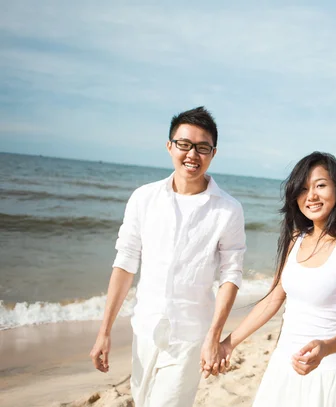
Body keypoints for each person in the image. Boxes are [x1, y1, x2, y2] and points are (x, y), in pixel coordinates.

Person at [90, 106, 245, 407]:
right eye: (184, 145)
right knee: (143, 400)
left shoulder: (228, 209)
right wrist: (104, 332)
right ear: (170, 146)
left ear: (213, 153)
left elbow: (231, 275)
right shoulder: (144, 198)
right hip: (145, 328)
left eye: (202, 148)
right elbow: (125, 264)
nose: (192, 155)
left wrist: (214, 336)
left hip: (189, 336)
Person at [218, 151, 336, 407]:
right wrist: (228, 343)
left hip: (325, 372)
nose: (311, 195)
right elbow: (272, 300)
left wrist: (324, 347)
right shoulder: (295, 239)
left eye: (320, 185)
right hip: (282, 366)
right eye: (303, 189)